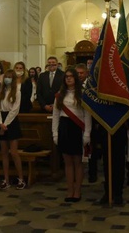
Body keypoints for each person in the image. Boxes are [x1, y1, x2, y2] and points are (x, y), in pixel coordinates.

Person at [52, 68, 92, 202]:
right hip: (64, 128)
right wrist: (55, 134)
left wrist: (87, 133)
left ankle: (77, 191)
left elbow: (87, 115)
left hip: (78, 128)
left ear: (76, 78)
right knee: (67, 162)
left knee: (78, 162)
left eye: (71, 76)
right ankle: (70, 190)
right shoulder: (59, 95)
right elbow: (56, 115)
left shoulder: (83, 95)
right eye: (66, 76)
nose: (68, 78)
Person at [0, 69, 26, 190]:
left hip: (11, 121)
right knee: (4, 153)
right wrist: (0, 123)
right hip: (1, 120)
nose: (7, 79)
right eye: (6, 77)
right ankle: (6, 179)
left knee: (14, 153)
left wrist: (5, 124)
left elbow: (15, 110)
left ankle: (21, 179)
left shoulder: (17, 92)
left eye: (10, 77)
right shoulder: (1, 92)